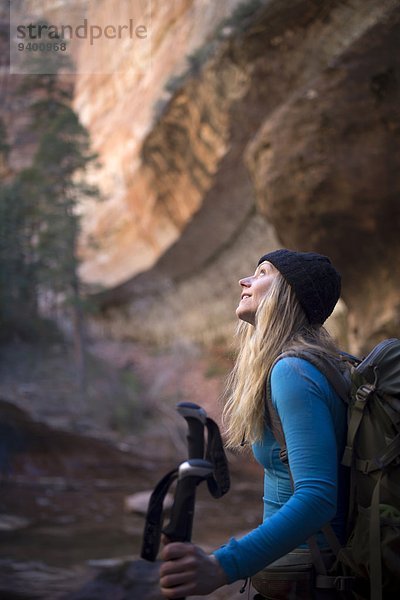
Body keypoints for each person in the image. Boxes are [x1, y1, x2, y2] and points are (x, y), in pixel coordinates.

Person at [160, 249, 349, 599]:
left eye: (262, 272)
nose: (243, 281)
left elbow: (318, 497)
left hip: (311, 581)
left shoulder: (292, 372)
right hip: (308, 573)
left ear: (288, 293)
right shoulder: (314, 365)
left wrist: (223, 567)